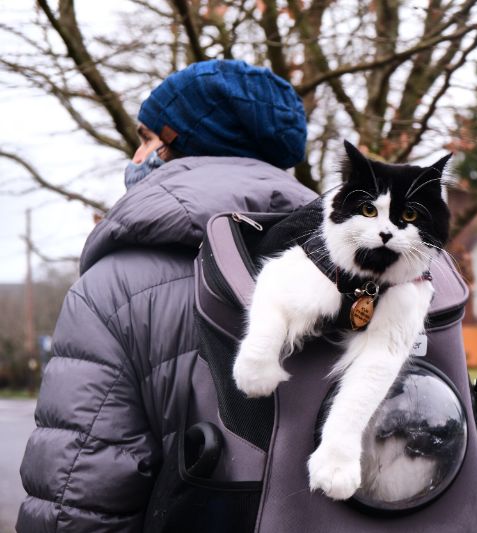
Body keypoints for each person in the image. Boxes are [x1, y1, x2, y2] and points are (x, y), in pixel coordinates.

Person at [16, 59, 317, 531]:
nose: (136, 157)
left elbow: (77, 497)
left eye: (145, 138)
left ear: (178, 144)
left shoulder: (115, 286)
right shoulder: (354, 266)